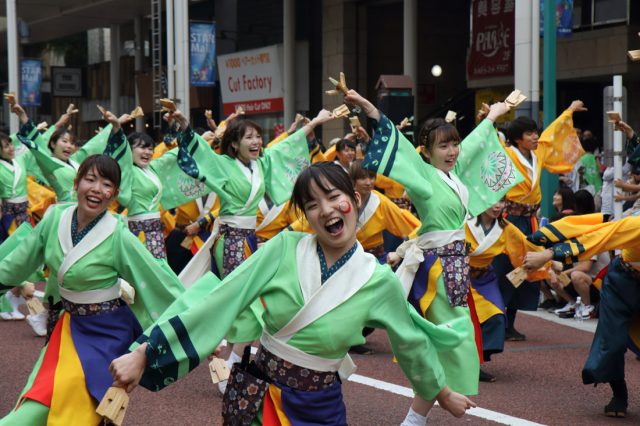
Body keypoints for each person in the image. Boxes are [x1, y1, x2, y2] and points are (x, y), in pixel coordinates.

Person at [109, 162, 476, 424]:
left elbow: (411, 344)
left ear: (356, 201)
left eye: (333, 197)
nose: (326, 210)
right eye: (312, 205)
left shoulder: (376, 280)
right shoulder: (284, 248)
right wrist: (144, 353)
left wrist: (439, 395)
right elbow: (220, 299)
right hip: (259, 400)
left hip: (321, 408)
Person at [343, 89, 517, 425]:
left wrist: (493, 115)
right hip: (436, 269)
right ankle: (419, 413)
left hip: (453, 266)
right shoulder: (424, 177)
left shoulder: (454, 173)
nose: (452, 151)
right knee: (455, 336)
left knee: (446, 340)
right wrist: (368, 108)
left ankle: (416, 416)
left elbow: (477, 141)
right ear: (426, 151)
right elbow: (399, 145)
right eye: (443, 146)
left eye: (454, 144)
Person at [0, 152, 184, 425]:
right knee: (37, 402)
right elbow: (19, 261)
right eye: (91, 179)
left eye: (107, 184)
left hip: (106, 332)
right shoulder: (55, 219)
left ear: (115, 194)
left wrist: (192, 317)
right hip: (68, 326)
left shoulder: (118, 233)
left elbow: (155, 279)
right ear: (76, 183)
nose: (98, 189)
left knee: (74, 411)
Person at [523, 214, 640, 418]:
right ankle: (619, 395)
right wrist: (549, 254)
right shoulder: (636, 224)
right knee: (613, 342)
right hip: (623, 283)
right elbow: (599, 236)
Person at [494, 101, 586, 341]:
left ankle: (509, 324)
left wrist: (568, 111)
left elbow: (551, 133)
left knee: (525, 270)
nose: (535, 137)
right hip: (508, 220)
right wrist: (489, 119)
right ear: (516, 139)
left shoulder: (537, 154)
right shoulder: (506, 154)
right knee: (504, 269)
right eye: (529, 133)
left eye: (535, 132)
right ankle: (496, 322)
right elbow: (488, 145)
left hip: (529, 221)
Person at [465, 199, 547, 382]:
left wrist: (549, 261)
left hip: (485, 279)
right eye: (492, 201)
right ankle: (467, 363)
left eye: (501, 201)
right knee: (465, 321)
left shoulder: (505, 228)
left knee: (496, 317)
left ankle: (473, 360)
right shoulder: (463, 222)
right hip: (460, 278)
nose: (498, 206)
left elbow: (526, 246)